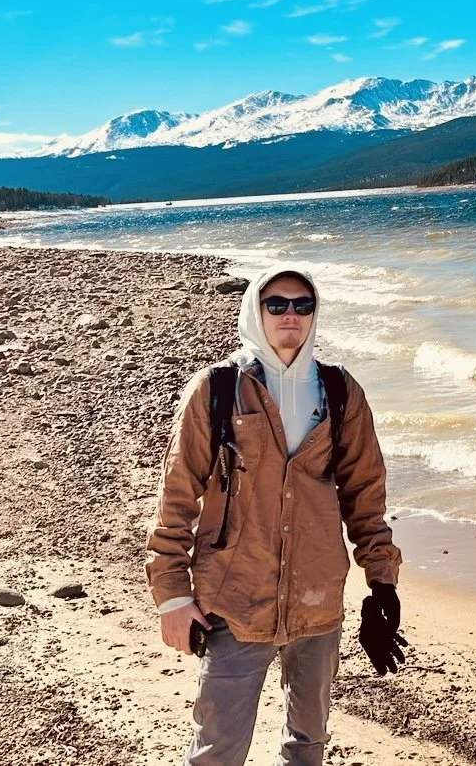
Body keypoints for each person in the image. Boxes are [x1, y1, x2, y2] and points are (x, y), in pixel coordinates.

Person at [146, 263, 406, 766]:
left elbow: (366, 496)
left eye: (303, 305)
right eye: (277, 304)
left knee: (307, 745)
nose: (291, 315)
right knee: (217, 750)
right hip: (234, 599)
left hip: (317, 601)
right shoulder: (217, 390)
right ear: (255, 311)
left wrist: (383, 584)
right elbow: (177, 496)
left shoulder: (340, 391)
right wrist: (172, 596)